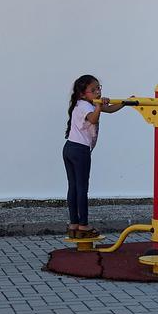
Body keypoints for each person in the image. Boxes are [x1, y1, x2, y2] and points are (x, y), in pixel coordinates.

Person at [63, 75, 123, 239]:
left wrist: (125, 103)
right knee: (82, 188)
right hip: (79, 150)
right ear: (83, 94)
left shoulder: (86, 104)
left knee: (74, 186)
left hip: (69, 148)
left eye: (99, 88)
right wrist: (99, 107)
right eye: (93, 90)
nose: (98, 92)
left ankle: (74, 224)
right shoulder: (86, 106)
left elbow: (109, 109)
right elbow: (93, 118)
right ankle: (84, 225)